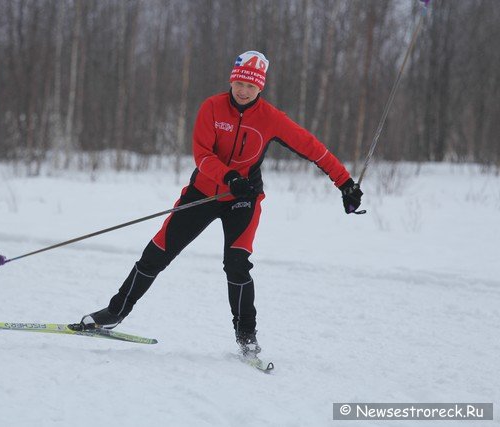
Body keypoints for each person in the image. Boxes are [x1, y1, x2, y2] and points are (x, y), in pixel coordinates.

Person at [75, 51, 363, 355]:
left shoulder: (270, 118)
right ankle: (115, 313)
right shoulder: (211, 107)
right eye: (239, 83)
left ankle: (246, 335)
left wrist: (345, 183)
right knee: (157, 252)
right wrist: (228, 177)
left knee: (237, 265)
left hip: (243, 200)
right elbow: (202, 155)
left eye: (250, 87)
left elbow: (312, 148)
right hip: (203, 193)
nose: (243, 91)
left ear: (260, 88)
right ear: (232, 79)